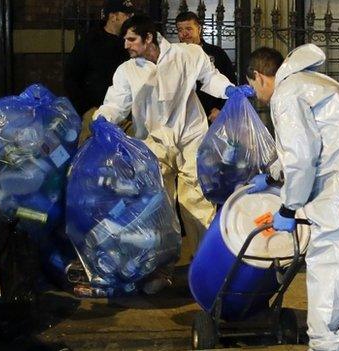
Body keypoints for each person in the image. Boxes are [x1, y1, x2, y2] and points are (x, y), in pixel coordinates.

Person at [246, 45, 339, 350]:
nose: (254, 93)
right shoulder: (312, 83)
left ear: (259, 77)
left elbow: (301, 158)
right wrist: (274, 176)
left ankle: (329, 344)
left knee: (332, 269)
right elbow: (310, 146)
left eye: (251, 86)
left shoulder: (287, 95)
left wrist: (288, 208)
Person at [93, 15, 249, 273]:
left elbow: (209, 77)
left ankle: (206, 266)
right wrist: (102, 119)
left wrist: (229, 90)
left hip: (191, 138)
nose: (126, 45)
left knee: (197, 202)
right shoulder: (128, 71)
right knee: (157, 206)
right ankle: (159, 268)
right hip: (153, 143)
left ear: (149, 38)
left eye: (131, 39)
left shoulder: (186, 55)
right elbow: (115, 104)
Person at [63, 0, 135, 139]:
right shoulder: (89, 42)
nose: (130, 19)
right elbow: (71, 77)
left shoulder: (130, 42)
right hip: (95, 113)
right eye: (126, 15)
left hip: (125, 116)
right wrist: (86, 110)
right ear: (113, 16)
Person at [175, 11, 237, 123]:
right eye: (180, 30)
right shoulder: (174, 56)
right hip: (184, 118)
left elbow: (230, 81)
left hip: (212, 117)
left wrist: (221, 109)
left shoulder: (217, 53)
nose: (184, 34)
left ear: (199, 29)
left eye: (189, 29)